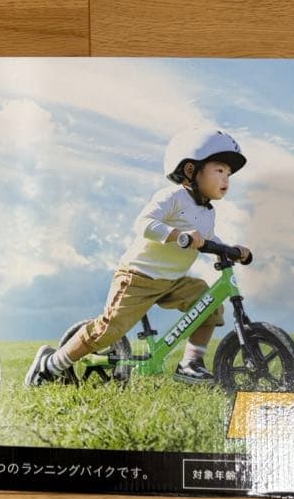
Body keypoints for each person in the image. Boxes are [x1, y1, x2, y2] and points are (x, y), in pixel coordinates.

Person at [25, 128, 251, 386]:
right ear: (191, 170)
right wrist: (177, 235)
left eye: (229, 174)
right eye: (219, 170)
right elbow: (144, 224)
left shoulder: (207, 212)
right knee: (109, 330)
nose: (226, 179)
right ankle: (51, 364)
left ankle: (191, 364)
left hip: (173, 281)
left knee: (209, 303)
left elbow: (209, 239)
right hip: (138, 277)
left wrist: (231, 249)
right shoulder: (173, 197)